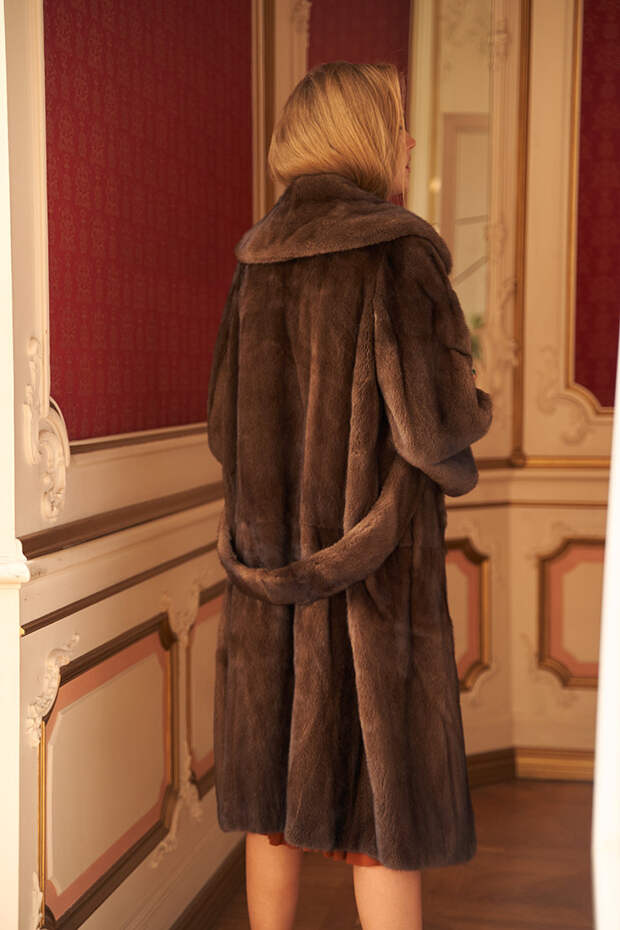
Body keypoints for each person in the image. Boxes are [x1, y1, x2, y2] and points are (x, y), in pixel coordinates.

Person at [206, 60, 493, 930]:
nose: (409, 142)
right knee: (382, 825)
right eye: (398, 124)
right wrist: (477, 402)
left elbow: (223, 426)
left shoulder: (254, 259)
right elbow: (433, 429)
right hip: (376, 590)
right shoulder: (401, 252)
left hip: (268, 584)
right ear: (367, 136)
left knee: (273, 811)